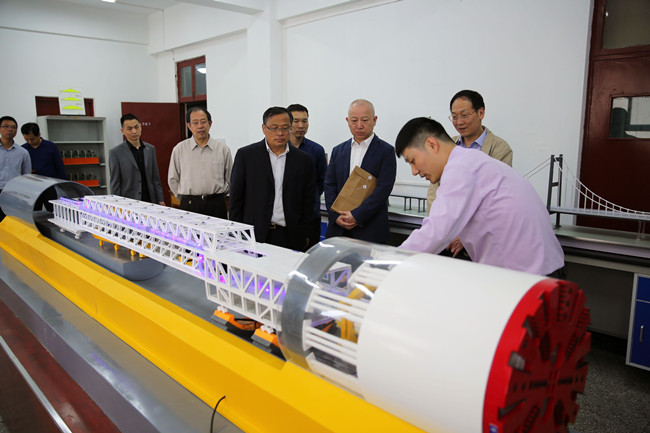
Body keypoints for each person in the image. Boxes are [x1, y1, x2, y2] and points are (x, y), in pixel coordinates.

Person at [395, 117, 564, 277]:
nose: (414, 171)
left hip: (529, 277)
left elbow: (437, 231)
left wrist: (391, 262)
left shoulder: (460, 168)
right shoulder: (473, 160)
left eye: (413, 161)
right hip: (542, 268)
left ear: (432, 145)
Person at [427, 90, 514, 258]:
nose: (459, 122)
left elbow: (494, 202)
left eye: (464, 115)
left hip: (479, 243)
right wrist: (439, 230)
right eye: (454, 117)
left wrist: (466, 236)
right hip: (446, 238)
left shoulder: (500, 149)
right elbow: (434, 192)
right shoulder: (447, 145)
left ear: (481, 113)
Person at [229, 107, 316, 251]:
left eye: (285, 128)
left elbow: (309, 200)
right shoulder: (246, 156)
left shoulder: (303, 160)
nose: (280, 133)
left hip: (290, 234)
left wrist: (306, 232)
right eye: (274, 128)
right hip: (254, 233)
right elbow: (236, 198)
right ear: (264, 128)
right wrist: (236, 231)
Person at [324, 99, 396, 244]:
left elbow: (383, 190)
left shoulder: (386, 151)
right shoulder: (338, 151)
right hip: (338, 229)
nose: (359, 125)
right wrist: (335, 216)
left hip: (370, 229)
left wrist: (357, 215)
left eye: (364, 120)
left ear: (374, 120)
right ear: (347, 121)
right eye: (354, 120)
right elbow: (329, 185)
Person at [168, 107, 233, 218]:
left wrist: (219, 195)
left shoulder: (222, 149)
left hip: (216, 205)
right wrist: (185, 198)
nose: (200, 126)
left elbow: (231, 178)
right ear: (189, 126)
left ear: (210, 124)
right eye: (195, 123)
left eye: (203, 122)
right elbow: (173, 179)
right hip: (189, 205)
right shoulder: (179, 149)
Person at [287, 103, 327, 249]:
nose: (301, 125)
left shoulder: (316, 150)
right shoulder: (280, 148)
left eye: (304, 121)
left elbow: (321, 183)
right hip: (286, 216)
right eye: (296, 121)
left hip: (310, 216)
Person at [108, 114, 165, 205]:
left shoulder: (150, 149)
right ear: (122, 131)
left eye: (136, 127)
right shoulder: (115, 153)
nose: (134, 131)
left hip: (150, 200)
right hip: (128, 202)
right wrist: (116, 204)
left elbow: (155, 178)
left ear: (140, 127)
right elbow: (115, 183)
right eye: (129, 129)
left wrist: (160, 199)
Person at [0, 116, 31, 220]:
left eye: (13, 127)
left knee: (12, 221)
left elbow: (27, 175)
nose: (10, 129)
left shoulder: (23, 152)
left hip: (13, 193)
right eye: (6, 126)